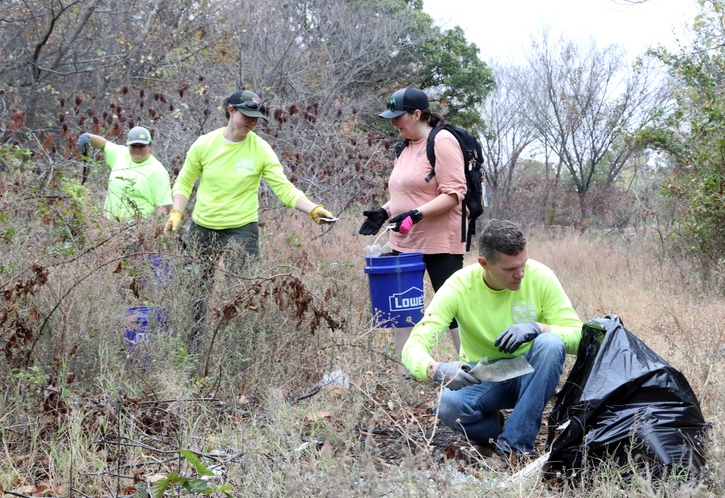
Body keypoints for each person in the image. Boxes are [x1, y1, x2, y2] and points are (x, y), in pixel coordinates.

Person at [401, 220, 583, 458]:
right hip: (486, 373)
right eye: (510, 270)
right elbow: (413, 346)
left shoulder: (541, 277)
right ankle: (492, 430)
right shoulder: (459, 286)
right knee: (447, 405)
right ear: (484, 264)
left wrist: (539, 328)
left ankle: (515, 449)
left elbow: (580, 337)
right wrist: (435, 369)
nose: (520, 274)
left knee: (550, 344)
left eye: (523, 265)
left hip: (531, 370)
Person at [164, 89, 335, 334]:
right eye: (247, 116)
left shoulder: (261, 149)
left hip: (241, 229)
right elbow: (184, 182)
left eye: (257, 118)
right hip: (203, 226)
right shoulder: (205, 144)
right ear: (231, 111)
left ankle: (235, 343)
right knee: (196, 290)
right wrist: (177, 212)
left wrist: (313, 209)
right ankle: (194, 342)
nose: (252, 122)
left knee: (240, 292)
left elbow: (284, 188)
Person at [360, 87, 465, 357]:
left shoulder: (441, 141)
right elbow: (406, 193)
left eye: (399, 117)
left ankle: (472, 366)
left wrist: (416, 214)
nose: (394, 123)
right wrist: (384, 212)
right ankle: (403, 368)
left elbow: (454, 193)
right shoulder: (404, 147)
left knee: (453, 308)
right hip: (405, 241)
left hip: (441, 242)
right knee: (403, 307)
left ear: (417, 114)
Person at [76, 126, 171, 220]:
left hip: (137, 229)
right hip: (108, 225)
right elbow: (104, 144)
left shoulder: (157, 171)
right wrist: (88, 137)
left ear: (149, 145)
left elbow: (163, 207)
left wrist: (154, 232)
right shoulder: (122, 154)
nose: (137, 149)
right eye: (133, 145)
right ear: (128, 145)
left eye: (141, 145)